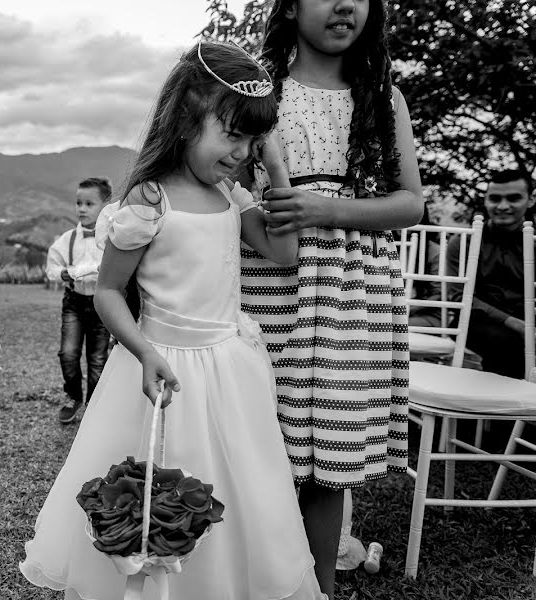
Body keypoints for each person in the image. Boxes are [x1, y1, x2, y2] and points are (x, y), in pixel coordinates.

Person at [20, 41, 325, 600]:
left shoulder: (232, 195)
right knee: (163, 485)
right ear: (186, 120)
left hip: (232, 370)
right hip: (164, 368)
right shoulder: (148, 201)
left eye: (252, 140)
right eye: (231, 134)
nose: (241, 152)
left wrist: (276, 166)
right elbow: (109, 292)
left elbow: (284, 254)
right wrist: (143, 351)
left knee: (244, 491)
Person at [238, 0, 424, 596]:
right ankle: (246, 577)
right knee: (261, 438)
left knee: (326, 458)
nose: (345, 4)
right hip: (270, 278)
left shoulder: (382, 98)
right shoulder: (259, 92)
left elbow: (411, 203)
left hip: (351, 289)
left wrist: (327, 208)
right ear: (290, 7)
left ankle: (317, 587)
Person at [447, 169, 534, 379]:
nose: (503, 206)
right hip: (476, 322)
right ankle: (501, 408)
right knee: (507, 342)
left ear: (531, 200)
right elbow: (458, 297)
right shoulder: (464, 242)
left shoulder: (534, 241)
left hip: (527, 319)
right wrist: (515, 324)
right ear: (485, 200)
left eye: (514, 198)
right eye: (495, 198)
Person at [46, 177, 113, 424]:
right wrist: (64, 273)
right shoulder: (67, 240)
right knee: (68, 352)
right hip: (74, 300)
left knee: (97, 358)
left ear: (105, 206)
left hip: (101, 303)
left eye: (89, 204)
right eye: (78, 203)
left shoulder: (111, 238)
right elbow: (52, 267)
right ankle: (73, 396)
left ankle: (94, 405)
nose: (81, 209)